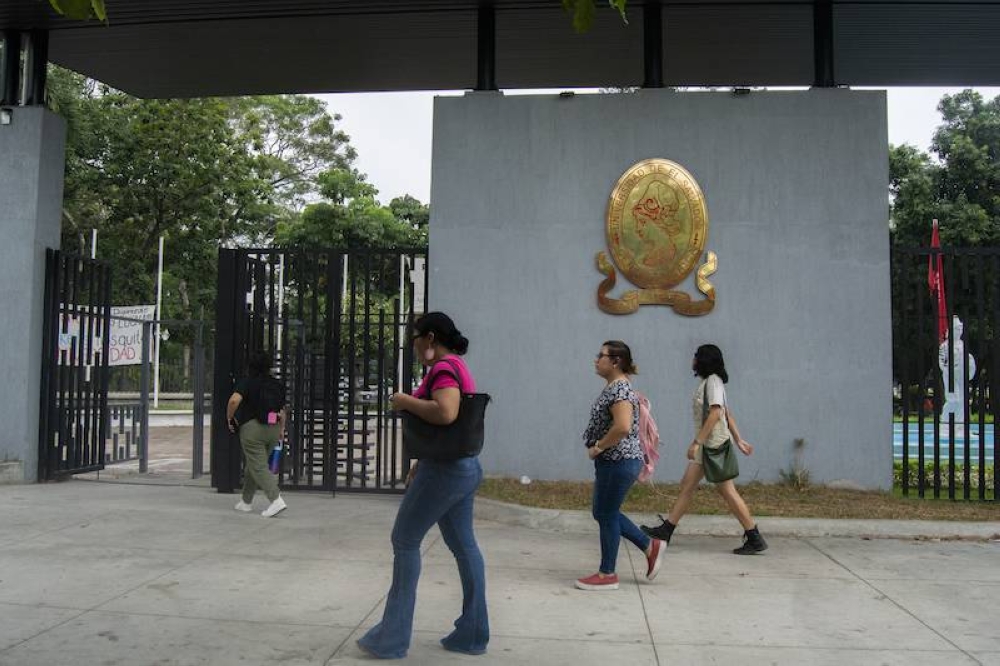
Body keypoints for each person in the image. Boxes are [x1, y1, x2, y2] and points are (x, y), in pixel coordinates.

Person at [358, 312, 489, 659]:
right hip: (462, 467)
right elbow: (450, 426)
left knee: (404, 540)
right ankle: (473, 633)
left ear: (430, 338)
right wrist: (421, 461)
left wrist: (403, 401)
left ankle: (391, 637)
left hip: (445, 472)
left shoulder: (443, 369)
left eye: (415, 338)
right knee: (465, 547)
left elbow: (445, 413)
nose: (413, 345)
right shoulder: (458, 366)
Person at [641, 344, 767, 555]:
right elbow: (727, 413)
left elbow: (717, 413)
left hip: (713, 446)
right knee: (687, 486)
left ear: (704, 360)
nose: (693, 360)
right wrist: (739, 439)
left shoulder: (713, 382)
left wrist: (697, 442)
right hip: (708, 446)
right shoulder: (708, 383)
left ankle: (754, 537)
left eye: (696, 356)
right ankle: (667, 530)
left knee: (727, 491)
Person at [577, 340, 666, 591]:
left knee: (605, 513)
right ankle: (650, 546)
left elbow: (623, 426)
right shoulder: (616, 387)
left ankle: (607, 574)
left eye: (601, 355)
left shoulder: (620, 390)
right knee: (604, 512)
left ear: (615, 361)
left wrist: (599, 446)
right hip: (615, 462)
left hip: (618, 460)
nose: (596, 359)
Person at [226, 350, 288, 518]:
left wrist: (230, 417)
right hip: (273, 426)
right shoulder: (277, 384)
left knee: (258, 466)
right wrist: (282, 429)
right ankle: (246, 502)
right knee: (254, 465)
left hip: (252, 429)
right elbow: (282, 410)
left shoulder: (247, 382)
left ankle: (276, 499)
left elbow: (233, 400)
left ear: (250, 366)